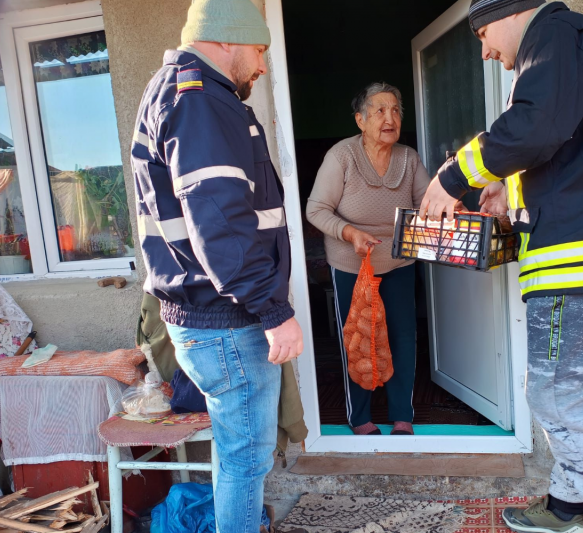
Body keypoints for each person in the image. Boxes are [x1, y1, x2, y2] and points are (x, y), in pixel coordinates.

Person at [420, 1, 583, 532]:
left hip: (580, 259)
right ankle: (566, 506)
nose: (485, 50)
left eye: (482, 33)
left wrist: (455, 176)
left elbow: (535, 126)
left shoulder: (553, 33)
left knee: (554, 396)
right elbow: (563, 142)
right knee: (566, 392)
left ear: (510, 11)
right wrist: (507, 188)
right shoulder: (567, 38)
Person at [130, 0, 303, 531]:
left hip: (208, 317)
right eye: (259, 50)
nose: (262, 65)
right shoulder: (201, 100)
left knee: (239, 459)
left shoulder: (180, 90)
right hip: (226, 321)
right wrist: (273, 310)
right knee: (245, 463)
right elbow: (220, 220)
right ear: (227, 40)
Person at [306, 82, 431, 436]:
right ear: (360, 120)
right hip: (351, 263)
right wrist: (350, 233)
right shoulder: (341, 156)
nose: (389, 118)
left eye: (395, 110)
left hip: (399, 262)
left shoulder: (408, 158)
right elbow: (316, 209)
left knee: (403, 336)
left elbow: (426, 204)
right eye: (379, 111)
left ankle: (402, 415)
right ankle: (359, 417)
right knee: (357, 337)